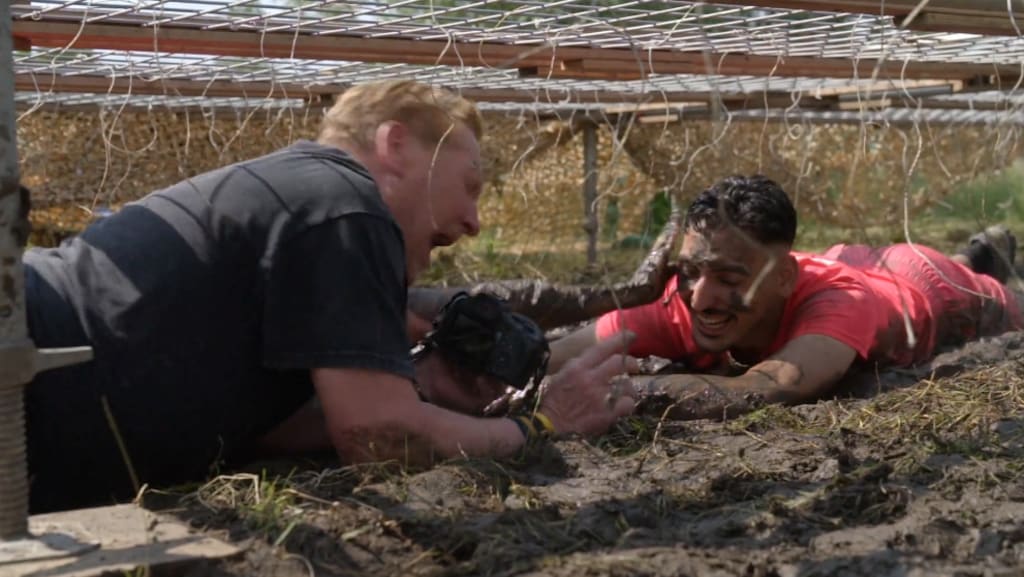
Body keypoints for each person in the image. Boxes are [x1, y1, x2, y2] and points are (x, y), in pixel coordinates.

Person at [22, 79, 636, 514]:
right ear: (395, 145)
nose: (474, 220)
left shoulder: (303, 199)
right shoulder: (346, 204)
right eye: (470, 184)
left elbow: (268, 430)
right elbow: (379, 437)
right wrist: (546, 423)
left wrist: (420, 395)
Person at [549, 174, 1022, 420]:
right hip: (853, 261)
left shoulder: (840, 306)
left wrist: (627, 390)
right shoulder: (684, 295)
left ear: (782, 278)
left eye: (730, 279)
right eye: (692, 272)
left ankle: (981, 264)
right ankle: (983, 252)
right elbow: (557, 355)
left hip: (929, 287)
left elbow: (763, 388)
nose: (701, 299)